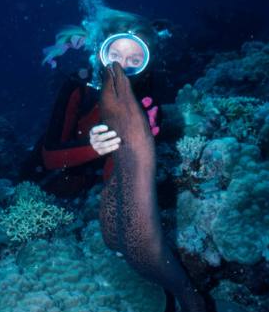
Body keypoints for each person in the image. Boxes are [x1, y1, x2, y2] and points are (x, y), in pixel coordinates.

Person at [20, 14, 162, 198]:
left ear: (146, 65)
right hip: (44, 188)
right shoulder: (79, 87)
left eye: (135, 61)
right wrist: (95, 148)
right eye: (115, 56)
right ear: (100, 54)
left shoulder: (148, 103)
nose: (121, 68)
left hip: (94, 198)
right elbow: (49, 157)